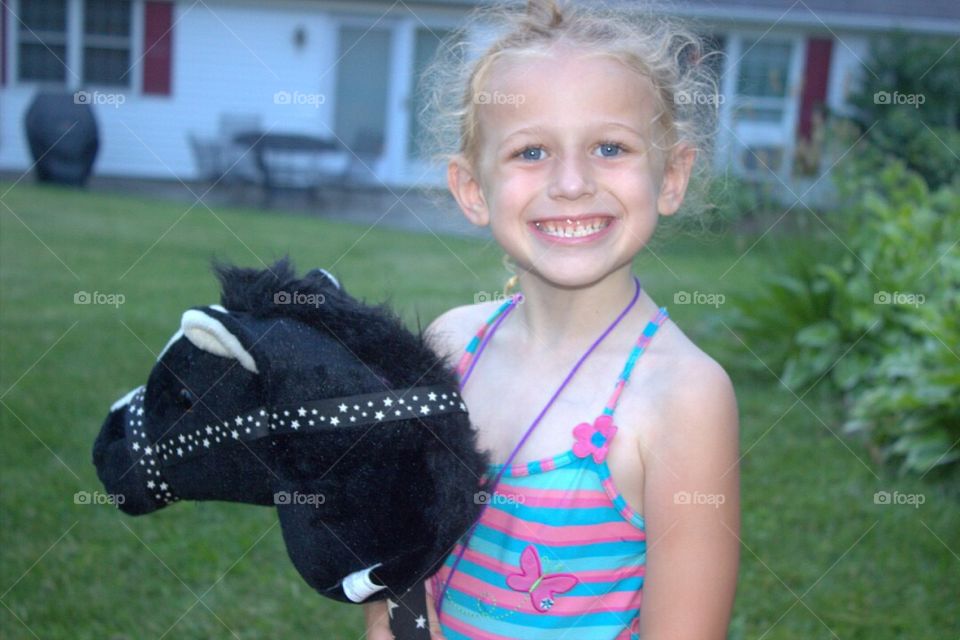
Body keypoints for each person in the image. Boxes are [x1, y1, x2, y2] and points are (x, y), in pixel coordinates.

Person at [366, 0, 739, 637]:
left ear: (671, 175)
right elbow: (393, 589)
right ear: (473, 189)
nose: (571, 182)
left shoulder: (683, 398)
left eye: (609, 147)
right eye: (531, 151)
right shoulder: (449, 347)